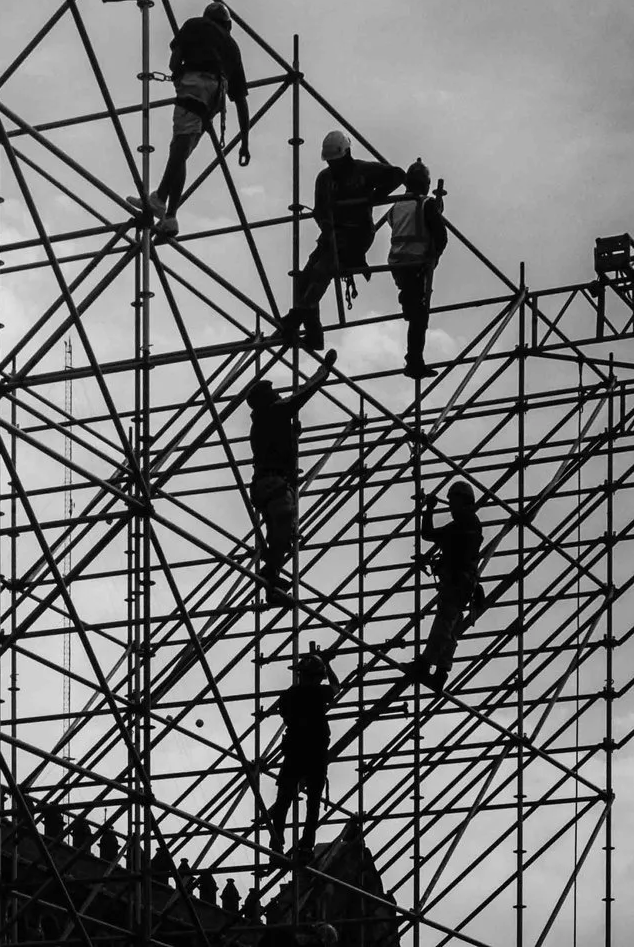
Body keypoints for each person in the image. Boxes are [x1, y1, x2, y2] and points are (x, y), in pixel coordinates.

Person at [267, 130, 406, 353]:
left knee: (322, 270)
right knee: (304, 280)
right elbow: (319, 211)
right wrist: (327, 227)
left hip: (357, 237)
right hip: (332, 236)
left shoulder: (362, 171)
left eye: (335, 161)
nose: (333, 165)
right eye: (330, 162)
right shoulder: (325, 178)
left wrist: (376, 195)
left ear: (346, 154)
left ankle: (295, 317)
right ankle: (314, 334)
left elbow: (398, 175)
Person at [130, 2, 251, 242]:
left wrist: (177, 73)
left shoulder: (196, 25)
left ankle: (160, 198)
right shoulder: (232, 46)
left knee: (180, 145)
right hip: (216, 97)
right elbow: (241, 101)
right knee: (181, 148)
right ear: (228, 25)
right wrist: (245, 143)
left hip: (195, 86)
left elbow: (174, 61)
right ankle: (170, 217)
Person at [239, 371, 330, 606]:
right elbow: (300, 397)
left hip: (266, 484)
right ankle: (271, 572)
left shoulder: (265, 421)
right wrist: (322, 373)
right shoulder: (272, 412)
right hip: (273, 484)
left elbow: (278, 449)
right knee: (284, 523)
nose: (279, 394)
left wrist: (292, 436)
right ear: (265, 399)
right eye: (273, 393)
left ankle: (272, 581)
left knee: (279, 534)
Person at [403, 480, 488, 695]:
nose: (450, 506)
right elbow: (428, 534)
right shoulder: (461, 525)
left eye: (453, 501)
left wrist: (429, 509)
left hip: (458, 583)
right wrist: (429, 510)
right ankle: (440, 673)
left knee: (443, 625)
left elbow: (439, 538)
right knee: (450, 628)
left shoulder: (468, 523)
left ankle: (425, 664)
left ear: (464, 501)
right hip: (459, 584)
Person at [260, 650, 335, 861]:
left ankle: (276, 843)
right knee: (313, 803)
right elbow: (336, 687)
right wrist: (328, 665)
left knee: (284, 799)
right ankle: (306, 847)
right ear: (318, 677)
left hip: (295, 752)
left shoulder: (290, 694)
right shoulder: (319, 693)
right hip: (315, 754)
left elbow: (284, 713)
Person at [379, 161, 447, 376]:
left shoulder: (395, 207)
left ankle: (408, 305)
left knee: (413, 306)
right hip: (416, 263)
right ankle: (414, 362)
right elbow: (441, 236)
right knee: (419, 315)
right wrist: (433, 258)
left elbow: (400, 223)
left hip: (397, 264)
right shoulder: (426, 203)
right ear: (426, 184)